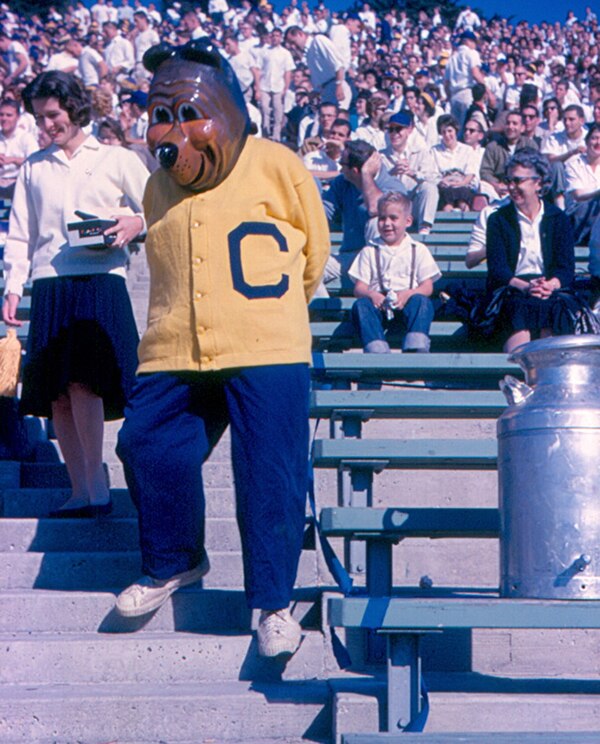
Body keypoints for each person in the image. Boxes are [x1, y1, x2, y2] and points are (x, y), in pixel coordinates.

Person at [113, 40, 329, 658]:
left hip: (265, 344)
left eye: (190, 113)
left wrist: (272, 312)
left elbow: (313, 254)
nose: (174, 132)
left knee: (269, 474)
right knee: (145, 444)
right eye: (161, 116)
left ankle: (273, 603)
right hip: (174, 348)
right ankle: (175, 560)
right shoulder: (156, 187)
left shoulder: (278, 163)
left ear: (231, 107)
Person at [1, 71, 148, 517]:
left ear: (74, 109)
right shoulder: (34, 167)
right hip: (49, 282)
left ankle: (98, 486)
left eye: (54, 115)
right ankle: (80, 487)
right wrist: (12, 287)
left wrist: (133, 224)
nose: (47, 125)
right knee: (58, 395)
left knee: (86, 384)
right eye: (40, 118)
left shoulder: (115, 158)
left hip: (100, 278)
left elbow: (158, 207)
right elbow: (22, 235)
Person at [486, 148, 575, 352]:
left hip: (549, 288)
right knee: (518, 309)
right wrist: (526, 286)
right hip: (513, 288)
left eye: (518, 181)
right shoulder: (498, 220)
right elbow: (498, 271)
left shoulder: (558, 219)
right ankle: (520, 377)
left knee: (553, 308)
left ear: (538, 183)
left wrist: (550, 285)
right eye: (509, 180)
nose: (512, 186)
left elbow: (566, 269)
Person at [349, 191, 441, 354]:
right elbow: (359, 288)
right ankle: (377, 349)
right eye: (382, 218)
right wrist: (372, 295)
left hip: (407, 306)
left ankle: (416, 347)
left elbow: (427, 286)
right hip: (380, 307)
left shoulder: (418, 249)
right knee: (361, 305)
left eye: (393, 218)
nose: (387, 223)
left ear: (408, 221)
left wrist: (409, 294)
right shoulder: (370, 250)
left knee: (422, 302)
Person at [380, 111, 438, 234]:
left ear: (409, 130)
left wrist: (413, 173)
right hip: (391, 205)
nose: (394, 134)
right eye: (391, 129)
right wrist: (391, 173)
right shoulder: (381, 156)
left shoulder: (421, 153)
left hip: (413, 204)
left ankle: (424, 228)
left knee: (429, 187)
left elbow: (434, 178)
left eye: (398, 129)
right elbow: (375, 184)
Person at [431, 113, 478, 211]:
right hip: (445, 187)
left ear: (456, 131)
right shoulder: (434, 151)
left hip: (463, 186)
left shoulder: (467, 150)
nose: (447, 135)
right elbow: (434, 174)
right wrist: (445, 182)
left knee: (463, 201)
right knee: (447, 202)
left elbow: (471, 173)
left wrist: (461, 183)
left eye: (449, 131)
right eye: (443, 132)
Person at [565, 123, 600, 246]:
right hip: (577, 215)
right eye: (594, 138)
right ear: (586, 141)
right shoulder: (574, 164)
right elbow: (578, 196)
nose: (598, 143)